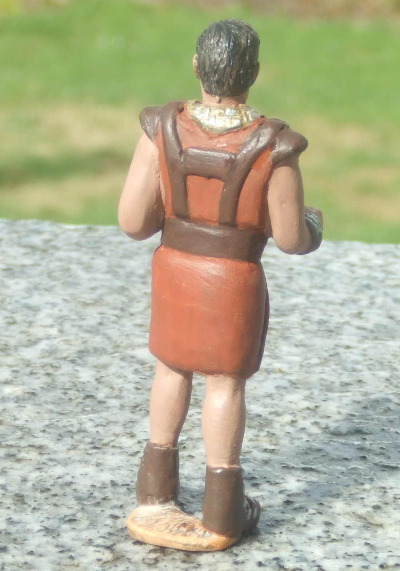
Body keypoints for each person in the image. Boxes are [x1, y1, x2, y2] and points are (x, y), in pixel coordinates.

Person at [119, 19, 323, 551]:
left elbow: (133, 222)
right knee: (225, 385)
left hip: (175, 271)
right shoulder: (275, 146)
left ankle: (154, 492)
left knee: (170, 369)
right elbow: (290, 237)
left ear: (196, 66)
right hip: (232, 281)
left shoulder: (160, 129)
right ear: (254, 73)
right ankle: (221, 506)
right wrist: (313, 228)